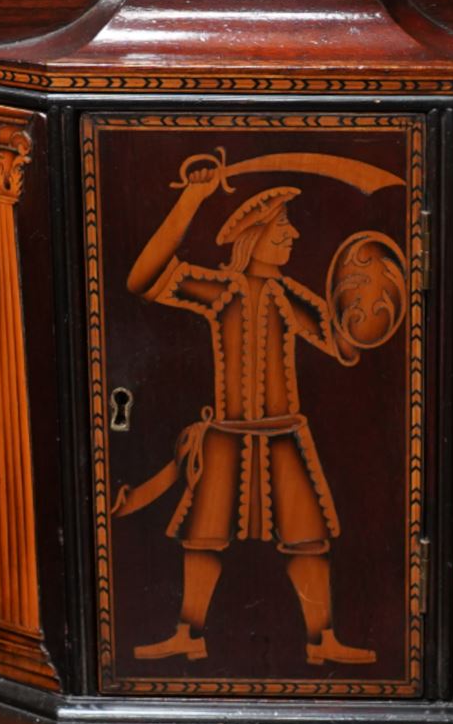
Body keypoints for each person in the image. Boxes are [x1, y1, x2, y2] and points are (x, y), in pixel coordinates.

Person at [113, 151, 376, 666]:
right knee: (202, 538)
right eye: (282, 229)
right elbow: (142, 279)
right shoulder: (221, 291)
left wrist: (367, 297)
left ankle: (321, 641)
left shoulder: (291, 298)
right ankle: (190, 634)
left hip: (283, 437)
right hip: (226, 437)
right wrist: (193, 198)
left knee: (308, 539)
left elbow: (346, 347)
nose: (293, 237)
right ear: (253, 237)